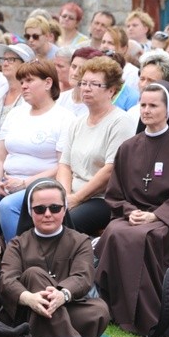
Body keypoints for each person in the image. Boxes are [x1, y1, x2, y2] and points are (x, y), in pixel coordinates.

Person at [94, 82, 169, 335]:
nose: (146, 110)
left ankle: (147, 315)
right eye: (143, 105)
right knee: (114, 231)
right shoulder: (128, 147)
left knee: (142, 236)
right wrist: (129, 211)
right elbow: (114, 193)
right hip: (132, 215)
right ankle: (115, 310)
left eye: (153, 105)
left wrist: (156, 215)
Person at [0, 59, 75, 242]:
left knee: (8, 206)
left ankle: (16, 258)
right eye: (22, 81)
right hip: (6, 182)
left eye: (29, 81)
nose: (23, 86)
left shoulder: (64, 118)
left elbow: (62, 165)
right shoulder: (16, 114)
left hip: (41, 185)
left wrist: (25, 183)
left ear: (48, 83)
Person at [0, 178, 110, 337]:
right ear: (30, 212)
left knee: (98, 311)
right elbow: (7, 280)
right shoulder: (17, 244)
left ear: (65, 210)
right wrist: (30, 298)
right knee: (34, 274)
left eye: (55, 208)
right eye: (40, 209)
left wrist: (62, 295)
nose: (48, 214)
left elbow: (82, 277)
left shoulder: (80, 241)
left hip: (67, 303)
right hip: (28, 309)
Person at [57, 57, 135, 235]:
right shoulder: (77, 122)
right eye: (83, 83)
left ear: (111, 91)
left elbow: (110, 170)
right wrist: (64, 196)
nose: (85, 88)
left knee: (65, 223)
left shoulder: (120, 122)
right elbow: (64, 164)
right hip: (71, 195)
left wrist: (76, 198)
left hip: (103, 199)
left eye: (94, 84)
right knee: (36, 211)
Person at [0, 43, 35, 184]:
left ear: (25, 64)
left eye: (11, 59)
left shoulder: (31, 100)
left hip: (14, 174)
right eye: (3, 59)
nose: (5, 63)